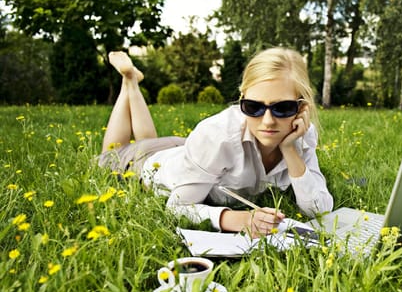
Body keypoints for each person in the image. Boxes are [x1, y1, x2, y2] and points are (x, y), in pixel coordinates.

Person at [98, 47, 333, 237]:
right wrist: (237, 219)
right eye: (254, 107)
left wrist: (290, 149)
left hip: (186, 151)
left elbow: (319, 210)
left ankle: (132, 82)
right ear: (242, 100)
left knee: (149, 140)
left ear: (301, 109)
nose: (268, 121)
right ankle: (129, 80)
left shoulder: (301, 134)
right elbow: (176, 207)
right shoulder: (217, 135)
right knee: (112, 153)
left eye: (282, 108)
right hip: (152, 164)